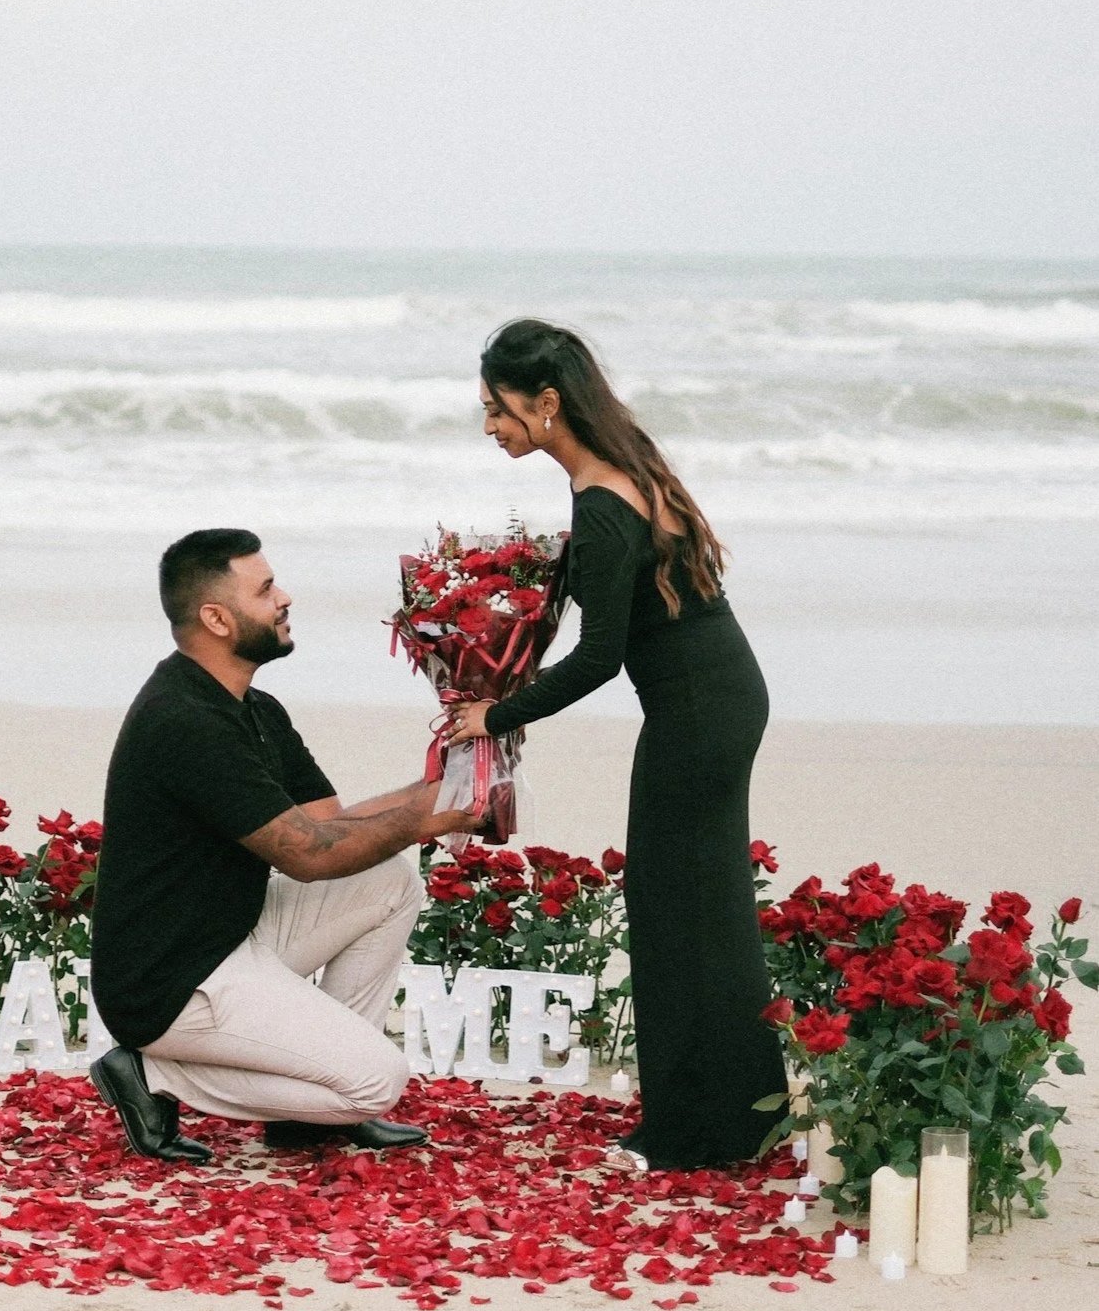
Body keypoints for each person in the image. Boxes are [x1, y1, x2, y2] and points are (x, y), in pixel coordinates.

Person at [445, 319, 787, 1170]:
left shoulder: (600, 499)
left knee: (674, 916)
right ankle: (740, 1119)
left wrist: (498, 711)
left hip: (695, 714)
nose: (489, 425)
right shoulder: (618, 463)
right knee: (705, 913)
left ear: (546, 402)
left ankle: (690, 1132)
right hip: (720, 699)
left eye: (497, 408)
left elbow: (599, 656)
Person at [89, 527, 475, 1164]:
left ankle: (307, 1117)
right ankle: (151, 1075)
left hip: (228, 934)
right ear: (217, 617)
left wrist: (447, 784)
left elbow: (331, 824)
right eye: (266, 589)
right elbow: (310, 856)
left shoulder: (254, 708)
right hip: (172, 982)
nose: (285, 597)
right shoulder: (183, 721)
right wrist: (423, 820)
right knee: (377, 1083)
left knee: (388, 882)